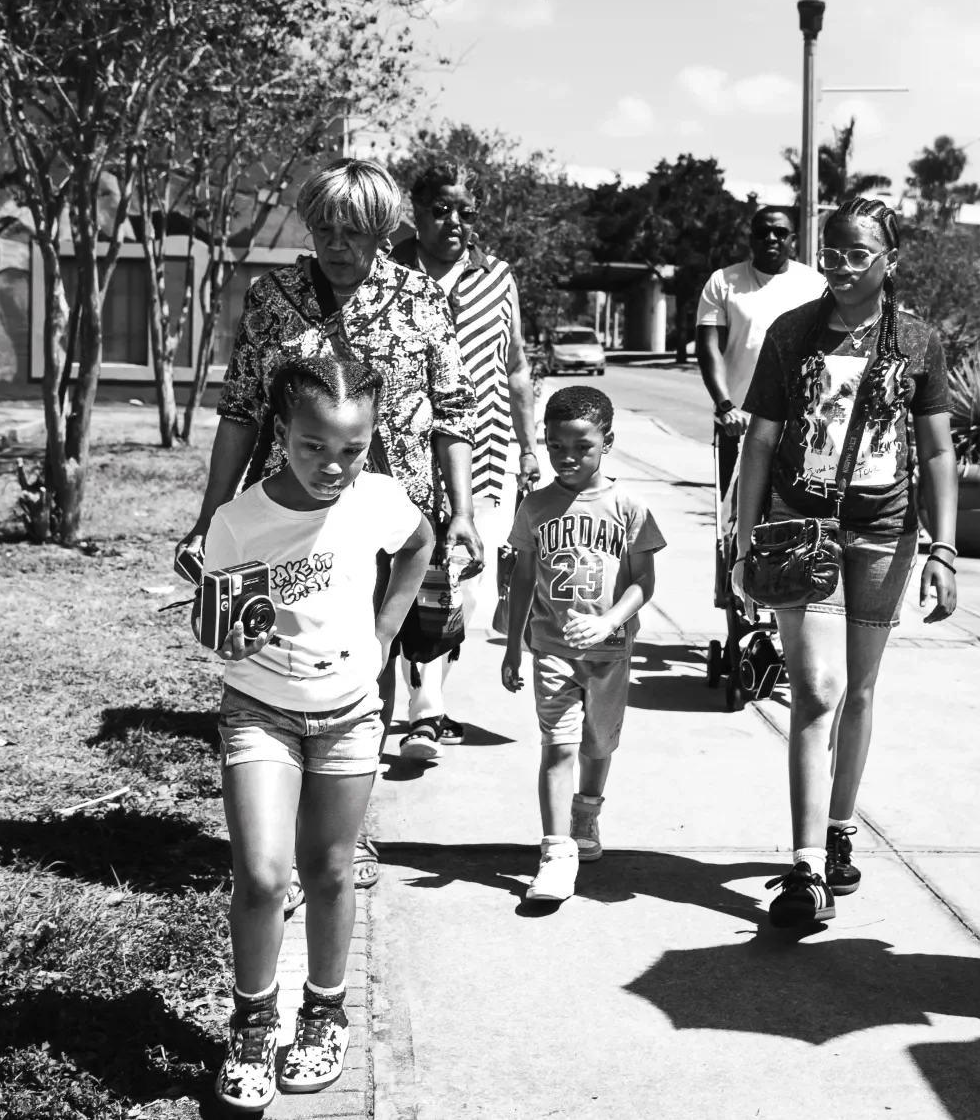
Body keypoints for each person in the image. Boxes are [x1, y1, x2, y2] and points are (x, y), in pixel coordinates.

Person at [182, 158, 479, 894]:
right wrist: (208, 514)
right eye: (324, 228)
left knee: (365, 666)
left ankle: (343, 832)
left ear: (382, 230)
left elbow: (453, 414)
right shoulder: (273, 297)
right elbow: (243, 409)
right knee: (278, 653)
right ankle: (276, 842)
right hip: (285, 516)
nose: (336, 243)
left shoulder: (421, 299)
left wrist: (463, 511)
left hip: (385, 515)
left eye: (353, 231)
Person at [203, 354, 435, 1113]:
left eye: (351, 449)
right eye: (312, 446)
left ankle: (326, 1013)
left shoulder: (378, 498)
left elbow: (418, 545)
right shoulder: (238, 522)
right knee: (265, 875)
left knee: (332, 870)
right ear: (282, 430)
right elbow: (217, 621)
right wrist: (228, 638)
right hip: (260, 711)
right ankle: (252, 1023)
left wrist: (384, 631)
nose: (332, 465)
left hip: (348, 714)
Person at [735, 196, 959, 929]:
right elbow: (760, 442)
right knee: (817, 687)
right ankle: (802, 867)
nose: (840, 266)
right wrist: (744, 539)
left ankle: (840, 829)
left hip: (885, 530)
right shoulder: (790, 331)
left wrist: (943, 548)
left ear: (890, 259)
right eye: (831, 251)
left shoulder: (917, 342)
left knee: (859, 690)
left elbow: (936, 451)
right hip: (800, 525)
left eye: (858, 253)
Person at [389, 162, 542, 762]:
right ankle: (422, 708)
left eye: (465, 212)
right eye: (441, 210)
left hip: (484, 451)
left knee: (464, 582)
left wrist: (529, 448)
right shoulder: (389, 268)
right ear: (416, 211)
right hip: (401, 451)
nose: (454, 222)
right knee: (408, 573)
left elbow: (517, 367)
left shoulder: (497, 276)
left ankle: (427, 707)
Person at [500, 386, 666, 904]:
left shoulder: (629, 507)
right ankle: (555, 853)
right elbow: (523, 579)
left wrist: (610, 622)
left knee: (598, 745)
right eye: (556, 447)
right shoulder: (534, 506)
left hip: (611, 653)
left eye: (582, 447)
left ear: (607, 443)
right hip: (551, 647)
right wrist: (513, 645)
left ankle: (586, 813)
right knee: (559, 745)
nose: (567, 458)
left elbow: (644, 582)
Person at [696, 204, 826, 495]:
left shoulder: (816, 285)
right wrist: (725, 405)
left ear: (793, 239)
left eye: (780, 232)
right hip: (736, 423)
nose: (771, 238)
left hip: (797, 424)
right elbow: (708, 349)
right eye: (762, 232)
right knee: (732, 514)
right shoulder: (723, 282)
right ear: (751, 238)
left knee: (790, 508)